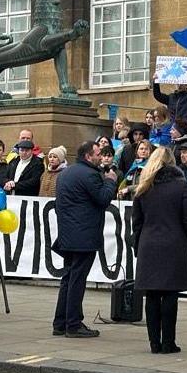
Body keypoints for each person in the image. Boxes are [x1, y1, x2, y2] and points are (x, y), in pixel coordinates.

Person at [131, 147, 187, 354]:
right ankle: (168, 342)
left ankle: (154, 343)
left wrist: (138, 244)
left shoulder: (143, 187)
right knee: (170, 295)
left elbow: (137, 222)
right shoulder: (180, 186)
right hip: (174, 243)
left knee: (151, 295)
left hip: (149, 243)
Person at [52, 141, 119, 338]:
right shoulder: (90, 174)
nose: (101, 157)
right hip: (83, 236)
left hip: (68, 234)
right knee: (77, 280)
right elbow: (103, 199)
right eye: (98, 153)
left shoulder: (66, 173)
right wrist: (110, 181)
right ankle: (73, 324)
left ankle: (60, 322)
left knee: (68, 278)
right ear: (89, 156)